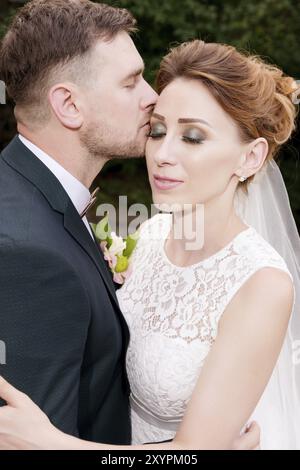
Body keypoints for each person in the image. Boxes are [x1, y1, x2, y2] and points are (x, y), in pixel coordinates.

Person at [0, 35, 299, 449]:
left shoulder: (262, 285)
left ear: (250, 157)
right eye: (157, 131)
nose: (161, 154)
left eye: (193, 137)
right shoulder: (149, 234)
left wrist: (48, 443)